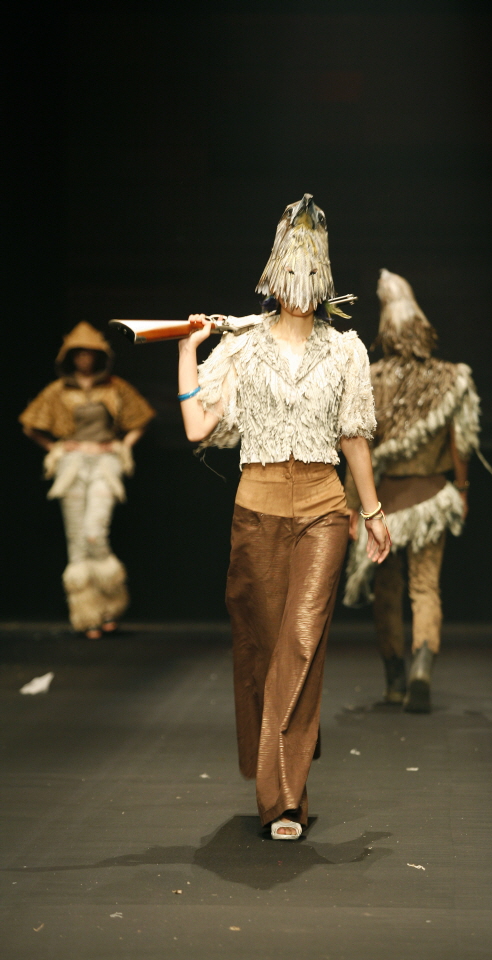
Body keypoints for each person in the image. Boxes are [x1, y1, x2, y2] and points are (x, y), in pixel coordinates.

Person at [177, 194, 391, 839]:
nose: (299, 284)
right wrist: (189, 349)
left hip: (324, 508)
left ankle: (284, 800)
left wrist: (372, 510)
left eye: (310, 273)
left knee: (301, 642)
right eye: (288, 272)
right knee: (265, 648)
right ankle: (284, 749)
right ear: (273, 277)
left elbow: (354, 436)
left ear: (323, 279)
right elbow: (197, 427)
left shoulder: (347, 350)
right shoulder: (241, 346)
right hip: (258, 507)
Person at [344, 270, 481, 713]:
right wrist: (461, 488)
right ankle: (422, 667)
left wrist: (352, 508)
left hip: (383, 505)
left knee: (386, 589)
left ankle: (395, 680)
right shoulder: (451, 378)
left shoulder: (371, 378)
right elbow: (462, 442)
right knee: (425, 587)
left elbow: (358, 446)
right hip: (432, 497)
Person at [19, 322, 155, 638]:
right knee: (78, 539)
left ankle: (110, 607)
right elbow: (30, 424)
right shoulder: (59, 390)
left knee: (95, 531)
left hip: (105, 462)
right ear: (69, 356)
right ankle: (88, 615)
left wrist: (123, 445)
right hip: (72, 464)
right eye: (78, 353)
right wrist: (56, 448)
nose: (84, 358)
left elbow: (141, 417)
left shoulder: (115, 387)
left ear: (99, 356)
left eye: (89, 353)